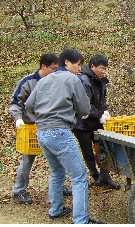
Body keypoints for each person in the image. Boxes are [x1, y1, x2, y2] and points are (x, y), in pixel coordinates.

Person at [25, 49, 103, 224]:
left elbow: (29, 105)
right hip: (60, 132)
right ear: (66, 62)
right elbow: (84, 109)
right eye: (77, 64)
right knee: (79, 176)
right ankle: (82, 219)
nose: (79, 69)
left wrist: (43, 116)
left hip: (42, 133)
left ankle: (56, 209)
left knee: (57, 171)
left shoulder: (44, 80)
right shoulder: (72, 79)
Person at [9, 53, 72, 205]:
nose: (56, 72)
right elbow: (15, 103)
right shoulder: (28, 82)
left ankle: (58, 186)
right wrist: (18, 119)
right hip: (31, 129)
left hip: (50, 126)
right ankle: (19, 190)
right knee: (27, 160)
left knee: (58, 157)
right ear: (43, 66)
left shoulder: (55, 82)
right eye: (53, 68)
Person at [73, 54, 120, 189]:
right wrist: (99, 115)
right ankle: (96, 176)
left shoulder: (101, 81)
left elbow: (101, 100)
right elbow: (85, 104)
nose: (103, 72)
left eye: (105, 69)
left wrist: (104, 112)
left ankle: (105, 176)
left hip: (96, 123)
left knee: (103, 149)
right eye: (101, 68)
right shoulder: (84, 80)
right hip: (82, 124)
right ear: (92, 67)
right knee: (88, 152)